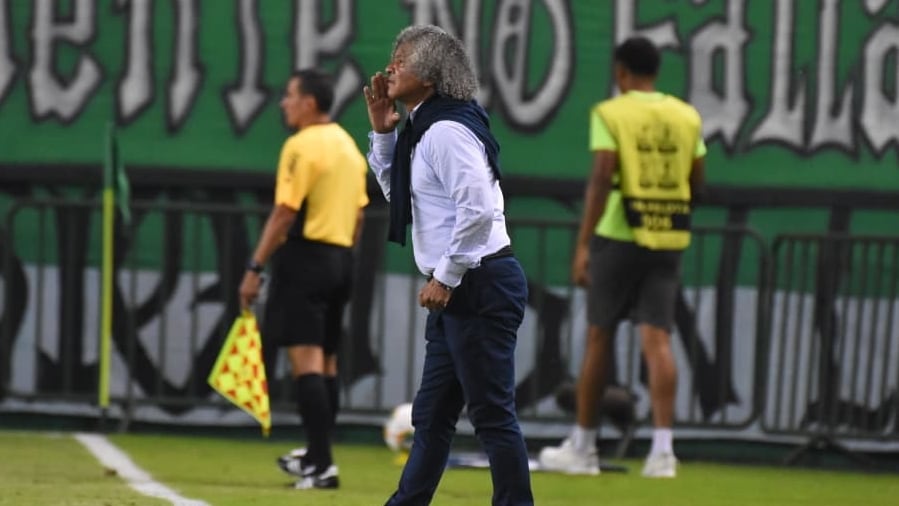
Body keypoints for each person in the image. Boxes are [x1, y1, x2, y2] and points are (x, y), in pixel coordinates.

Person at [363, 25, 534, 506]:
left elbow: (477, 211)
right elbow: (408, 203)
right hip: (466, 283)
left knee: (492, 415)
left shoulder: (445, 130)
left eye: (403, 59)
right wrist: (382, 135)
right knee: (432, 416)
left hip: (477, 283)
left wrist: (446, 275)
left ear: (433, 74)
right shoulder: (428, 126)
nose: (391, 67)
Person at [538, 36, 706, 478]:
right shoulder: (686, 115)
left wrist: (582, 244)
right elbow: (697, 175)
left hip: (618, 234)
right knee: (658, 339)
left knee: (600, 335)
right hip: (668, 234)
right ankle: (663, 453)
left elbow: (601, 174)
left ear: (620, 71)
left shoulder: (611, 113)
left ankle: (585, 447)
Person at [238, 68, 369, 490]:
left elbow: (285, 212)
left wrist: (255, 266)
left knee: (306, 364)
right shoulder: (349, 147)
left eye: (289, 95)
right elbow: (360, 214)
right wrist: (343, 258)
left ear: (309, 102)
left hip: (306, 259)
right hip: (341, 259)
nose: (283, 103)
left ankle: (323, 466)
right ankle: (316, 454)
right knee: (327, 364)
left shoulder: (301, 146)